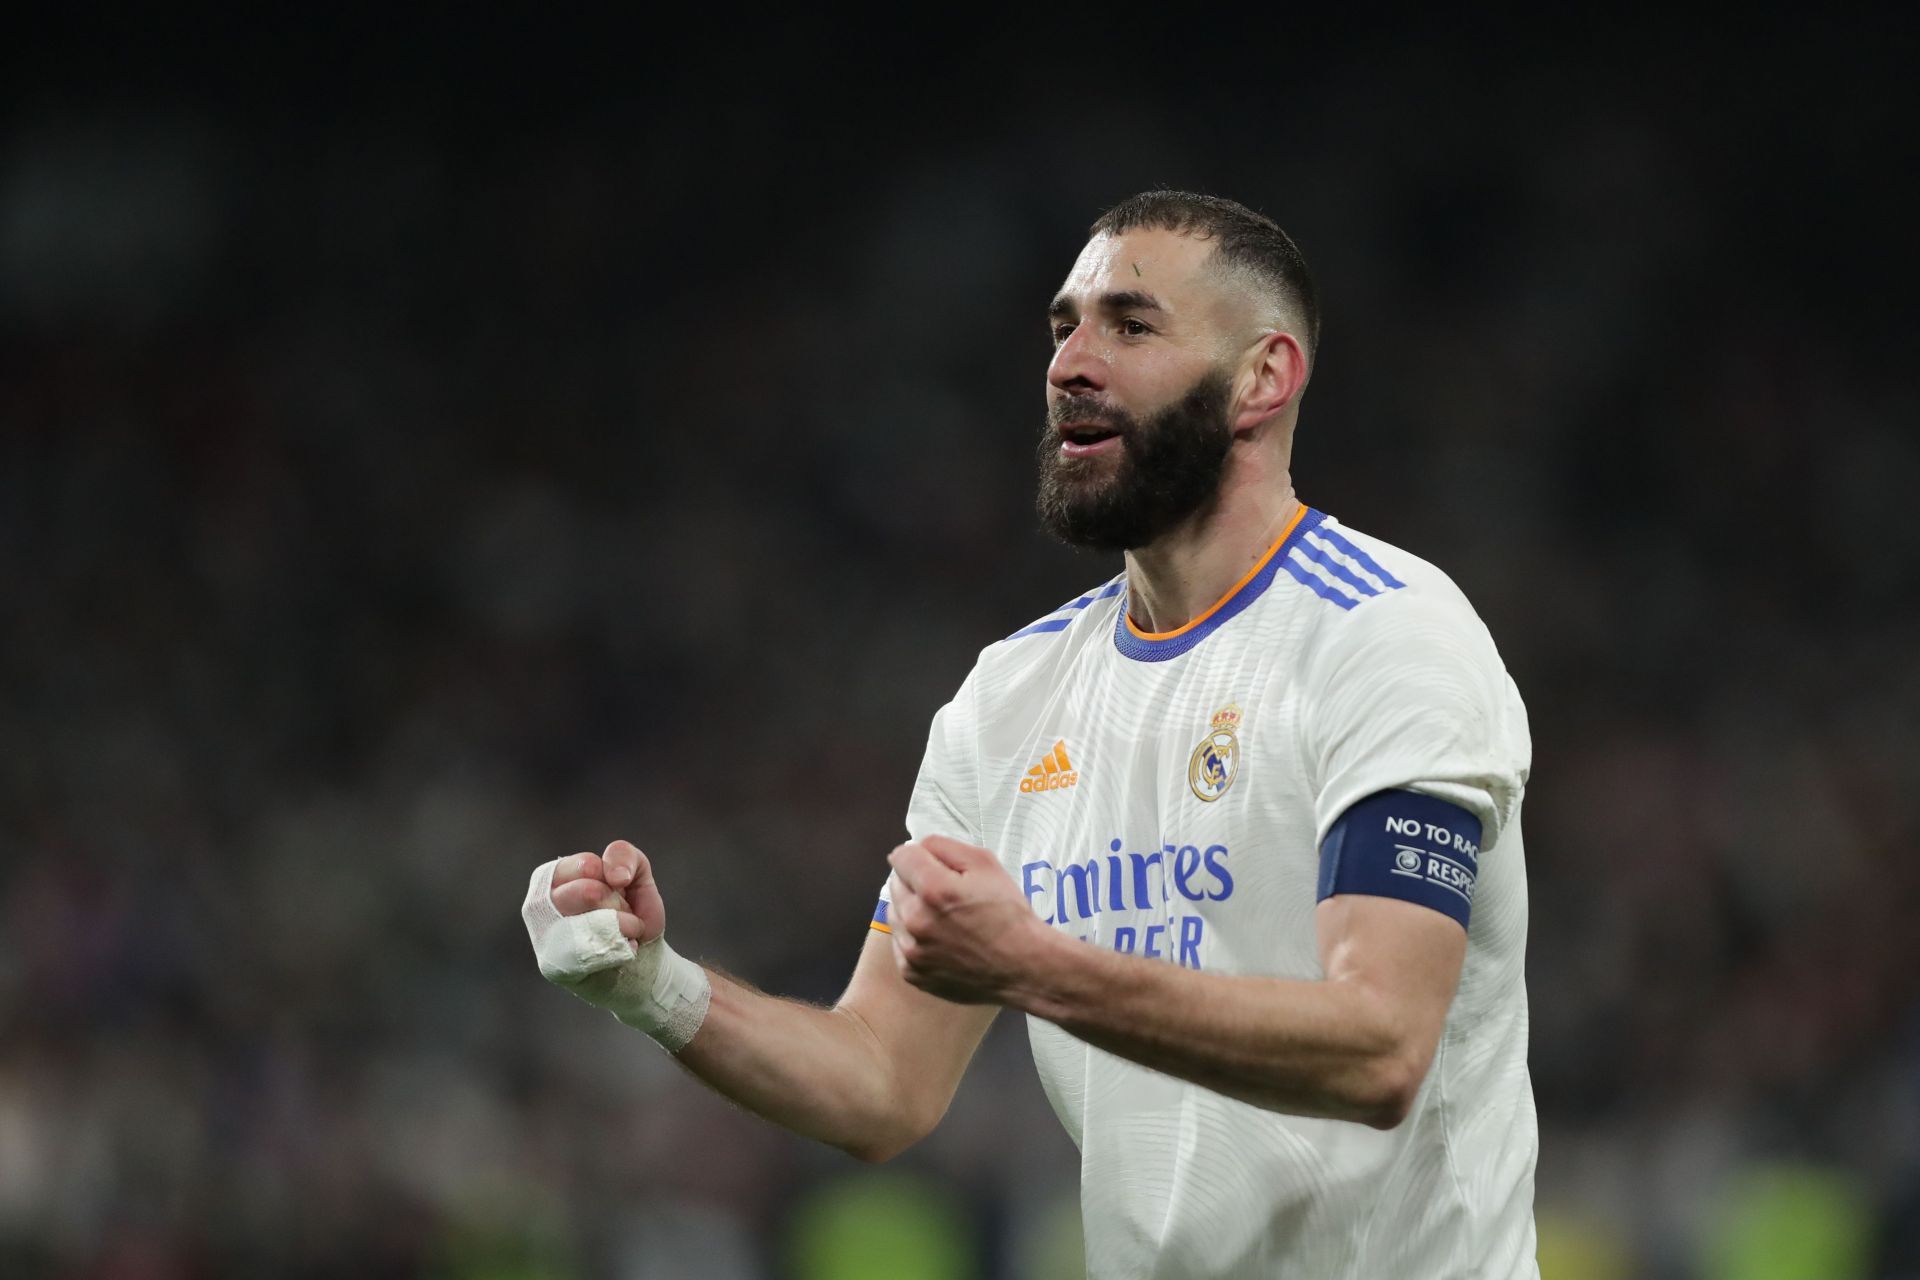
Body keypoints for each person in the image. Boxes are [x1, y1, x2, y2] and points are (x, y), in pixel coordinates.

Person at [521, 190, 1537, 1278]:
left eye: (1130, 326)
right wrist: (655, 984)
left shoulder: (1383, 635)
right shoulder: (1009, 698)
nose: (1070, 364)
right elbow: (883, 1081)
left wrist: (1038, 964)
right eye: (1064, 326)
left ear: (1263, 377)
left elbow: (1382, 1044)